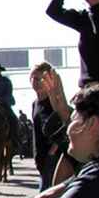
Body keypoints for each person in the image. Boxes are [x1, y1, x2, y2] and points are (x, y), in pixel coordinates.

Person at [29, 63, 65, 191]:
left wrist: (52, 151)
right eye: (32, 77)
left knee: (46, 196)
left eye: (39, 78)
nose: (35, 81)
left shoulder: (54, 103)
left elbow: (64, 126)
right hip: (41, 157)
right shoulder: (35, 104)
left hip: (53, 157)